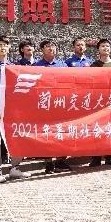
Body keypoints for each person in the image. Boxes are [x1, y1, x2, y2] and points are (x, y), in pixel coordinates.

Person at [0, 34, 32, 183]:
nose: (2, 47)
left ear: (9, 48)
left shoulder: (12, 66)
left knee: (16, 135)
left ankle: (15, 167)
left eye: (5, 45)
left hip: (11, 109)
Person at [33, 40, 71, 173]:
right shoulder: (36, 66)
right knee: (47, 132)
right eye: (47, 46)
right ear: (42, 50)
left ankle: (61, 160)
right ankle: (48, 162)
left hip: (60, 103)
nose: (51, 49)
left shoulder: (63, 65)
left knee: (61, 131)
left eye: (53, 46)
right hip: (44, 104)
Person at [89, 38, 111, 167]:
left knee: (110, 128)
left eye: (107, 46)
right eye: (102, 46)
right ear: (98, 49)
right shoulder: (94, 65)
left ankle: (109, 156)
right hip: (98, 102)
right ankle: (95, 157)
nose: (105, 48)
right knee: (97, 128)